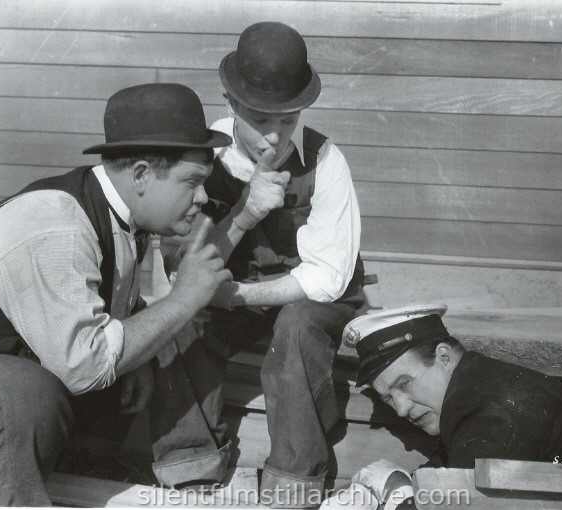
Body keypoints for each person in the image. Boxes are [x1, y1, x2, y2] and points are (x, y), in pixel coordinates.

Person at [0, 83, 246, 505]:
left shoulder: (123, 218)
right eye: (192, 182)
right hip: (0, 389)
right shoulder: (58, 224)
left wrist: (138, 361)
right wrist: (184, 298)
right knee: (24, 391)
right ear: (141, 174)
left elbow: (110, 314)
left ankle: (78, 469)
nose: (202, 198)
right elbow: (84, 365)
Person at [161, 21, 363, 508]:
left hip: (309, 300)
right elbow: (180, 269)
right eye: (260, 119)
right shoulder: (201, 158)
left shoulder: (325, 159)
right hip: (233, 294)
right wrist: (246, 211)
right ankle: (189, 466)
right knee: (180, 320)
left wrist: (239, 295)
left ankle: (295, 482)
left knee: (295, 327)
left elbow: (327, 278)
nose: (274, 137)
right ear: (230, 103)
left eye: (288, 120)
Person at [321, 306, 562, 509]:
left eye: (404, 384)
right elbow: (458, 468)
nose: (400, 409)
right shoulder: (474, 385)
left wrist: (394, 488)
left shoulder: (488, 410)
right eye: (388, 398)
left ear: (444, 357)